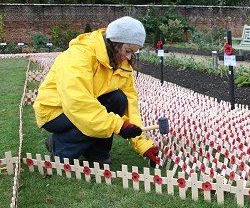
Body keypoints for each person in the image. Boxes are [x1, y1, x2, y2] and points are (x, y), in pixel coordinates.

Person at [33, 16, 160, 166]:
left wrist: (142, 145)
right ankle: (59, 146)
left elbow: (130, 103)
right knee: (103, 110)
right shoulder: (80, 55)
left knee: (118, 99)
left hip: (85, 106)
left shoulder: (122, 63)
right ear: (114, 43)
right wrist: (117, 125)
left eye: (133, 53)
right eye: (127, 50)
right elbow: (77, 103)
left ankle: (97, 153)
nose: (128, 57)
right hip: (55, 111)